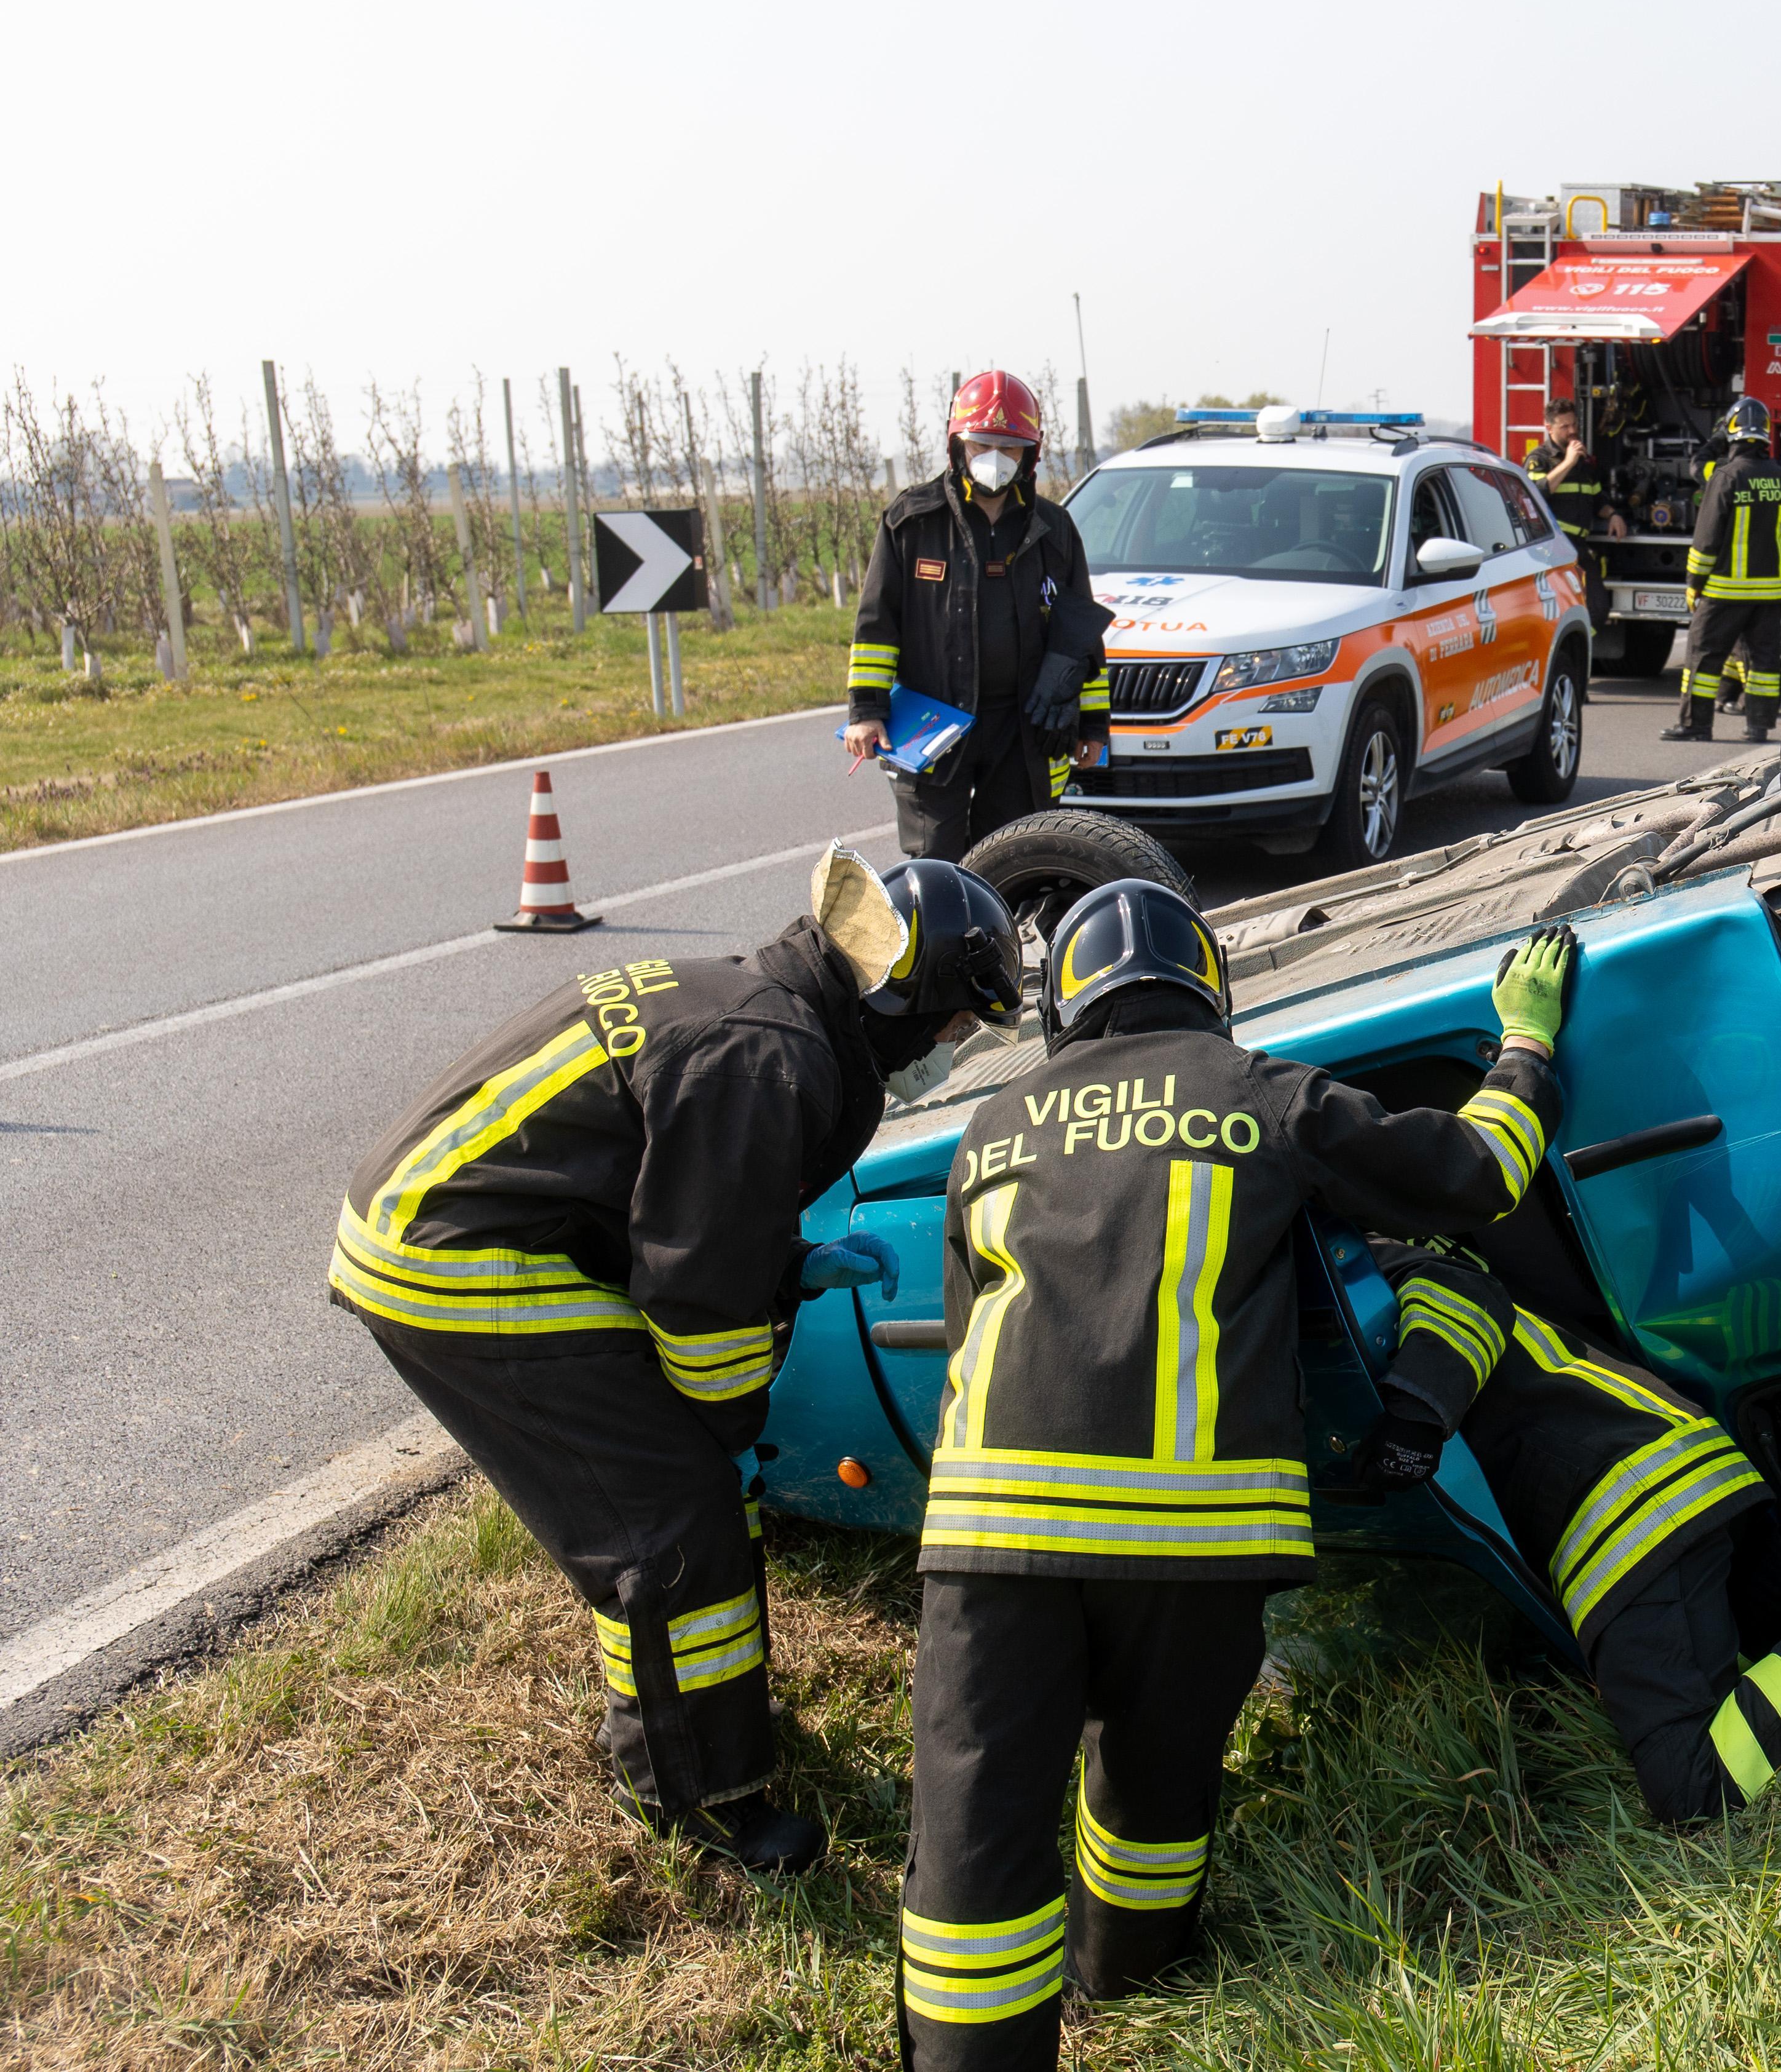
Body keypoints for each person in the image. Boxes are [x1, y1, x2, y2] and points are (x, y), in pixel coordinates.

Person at [897, 882, 1582, 2061]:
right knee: (1154, 1792)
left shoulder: (993, 1128)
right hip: (1194, 1540)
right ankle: (1127, 1981)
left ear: (1065, 1006)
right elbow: (1474, 1175)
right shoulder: (1262, 1094)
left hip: (995, 1538)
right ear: (1206, 988)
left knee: (974, 1828)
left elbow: (967, 1339)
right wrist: (1523, 1044)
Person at [328, 849, 1021, 1872]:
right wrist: (726, 1434)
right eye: (953, 1029)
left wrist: (786, 1263)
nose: (948, 1054)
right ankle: (696, 1796)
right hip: (451, 1257)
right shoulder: (768, 1058)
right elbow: (699, 1302)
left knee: (684, 1498)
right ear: (902, 1003)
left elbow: (679, 1205)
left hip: (465, 1221)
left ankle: (695, 1712)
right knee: (671, 1522)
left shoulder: (758, 1010)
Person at [1350, 1245, 1781, 1822]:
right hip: (1674, 1467)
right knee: (1750, 1639)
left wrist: (1417, 1410)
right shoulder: (1334, 1266)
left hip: (1628, 1507)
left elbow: (1459, 1291)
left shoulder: (1340, 1267)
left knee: (1693, 1783)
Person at [845, 370, 1115, 861]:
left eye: (1009, 447)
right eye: (982, 445)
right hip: (933, 723)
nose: (995, 458)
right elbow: (876, 626)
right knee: (936, 862)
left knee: (1011, 859)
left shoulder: (1054, 530)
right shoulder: (912, 522)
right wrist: (866, 710)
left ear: (1030, 454)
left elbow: (1080, 637)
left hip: (1022, 729)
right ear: (957, 447)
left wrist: (1092, 725)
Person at [1665, 397, 1781, 744]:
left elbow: (1706, 539)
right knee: (1763, 661)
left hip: (1725, 590)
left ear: (1733, 434)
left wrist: (1694, 583)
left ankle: (1696, 725)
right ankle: (1758, 726)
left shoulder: (1725, 477)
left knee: (1703, 655)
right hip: (1771, 591)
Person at [1523, 398, 1625, 629]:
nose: (1572, 431)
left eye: (1574, 425)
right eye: (1565, 427)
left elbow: (1598, 498)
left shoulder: (1584, 461)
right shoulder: (1539, 459)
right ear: (1549, 428)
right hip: (1552, 548)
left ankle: (1579, 649)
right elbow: (1534, 496)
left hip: (1578, 548)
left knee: (1597, 610)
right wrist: (1568, 462)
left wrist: (1613, 514)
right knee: (1565, 611)